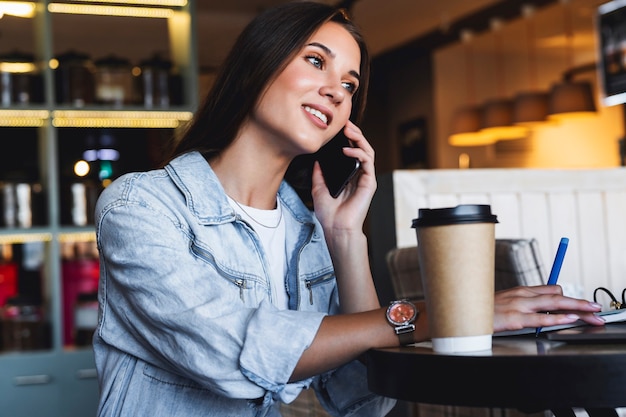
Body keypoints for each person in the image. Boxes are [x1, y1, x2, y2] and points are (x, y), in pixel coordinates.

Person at [92, 2, 606, 416]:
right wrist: (443, 317)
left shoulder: (308, 231)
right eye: (316, 61)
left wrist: (345, 239)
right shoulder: (141, 205)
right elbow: (230, 353)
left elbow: (361, 397)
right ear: (258, 65)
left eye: (350, 85)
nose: (335, 91)